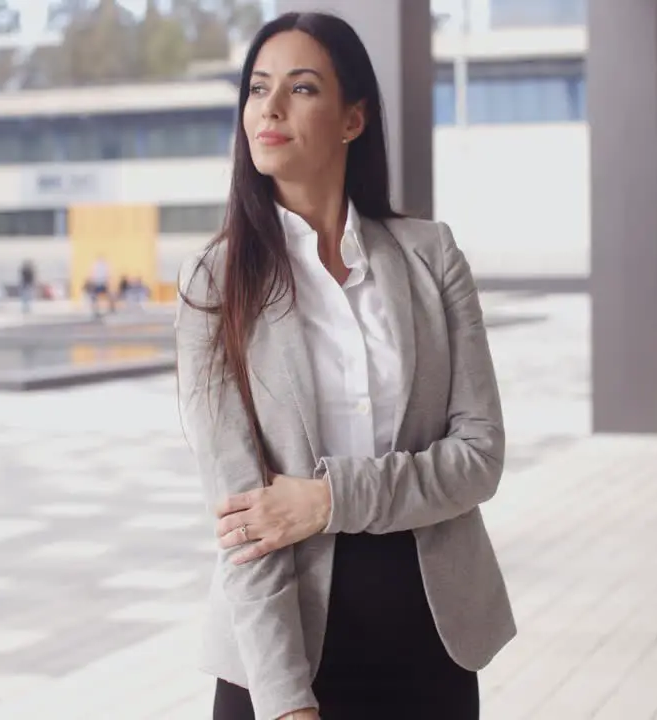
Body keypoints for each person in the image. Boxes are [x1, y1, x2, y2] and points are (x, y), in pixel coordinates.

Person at [176, 12, 514, 720]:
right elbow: (247, 520)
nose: (269, 108)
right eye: (258, 88)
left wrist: (329, 500)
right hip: (282, 653)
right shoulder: (216, 282)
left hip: (430, 645)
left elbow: (480, 458)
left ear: (352, 119)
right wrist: (285, 701)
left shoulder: (431, 257)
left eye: (301, 89)